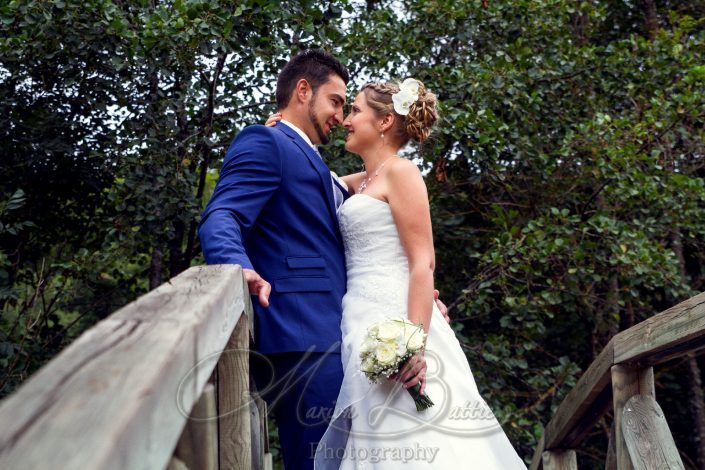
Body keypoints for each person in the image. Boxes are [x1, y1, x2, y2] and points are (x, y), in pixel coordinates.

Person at [198, 50, 449, 470]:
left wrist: (414, 292)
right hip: (302, 336)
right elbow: (223, 214)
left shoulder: (322, 164)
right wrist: (237, 264)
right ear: (302, 91)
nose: (341, 116)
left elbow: (374, 214)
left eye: (350, 107)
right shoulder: (266, 141)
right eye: (336, 102)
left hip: (343, 333)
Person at [266, 79, 527, 468]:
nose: (346, 120)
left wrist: (415, 346)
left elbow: (423, 262)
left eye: (354, 111)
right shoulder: (360, 182)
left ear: (385, 120)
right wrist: (281, 135)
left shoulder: (402, 173)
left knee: (416, 431)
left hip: (398, 321)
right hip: (358, 318)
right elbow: (308, 181)